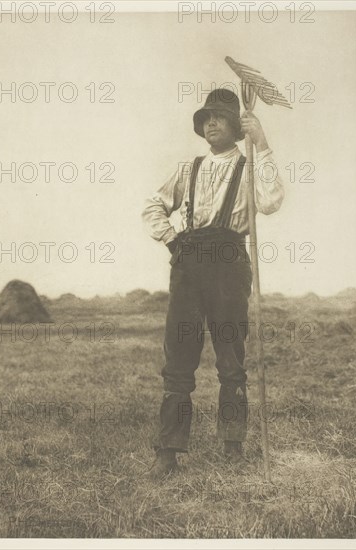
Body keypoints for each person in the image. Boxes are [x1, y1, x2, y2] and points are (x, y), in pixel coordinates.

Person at [142, 88, 284, 479]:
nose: (212, 123)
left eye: (220, 117)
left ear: (237, 125)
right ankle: (168, 452)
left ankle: (233, 446)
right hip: (188, 265)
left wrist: (263, 143)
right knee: (179, 358)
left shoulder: (250, 163)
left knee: (230, 358)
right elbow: (152, 205)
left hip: (229, 264)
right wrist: (171, 239)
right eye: (206, 118)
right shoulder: (189, 168)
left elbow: (271, 202)